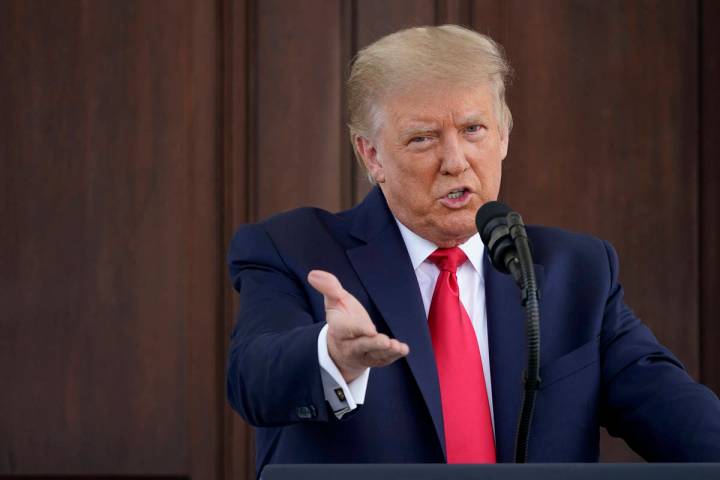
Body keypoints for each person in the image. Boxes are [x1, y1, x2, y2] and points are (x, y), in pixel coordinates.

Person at [226, 25, 720, 475]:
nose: (455, 161)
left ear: (503, 135)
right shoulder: (294, 250)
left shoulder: (580, 273)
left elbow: (674, 412)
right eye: (422, 139)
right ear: (371, 155)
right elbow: (253, 378)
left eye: (473, 130)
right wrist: (332, 356)